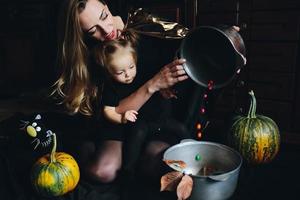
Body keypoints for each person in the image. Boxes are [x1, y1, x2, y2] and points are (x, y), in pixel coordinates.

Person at [53, 0, 190, 187]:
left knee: (152, 166)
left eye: (104, 16)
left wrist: (222, 37)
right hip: (117, 120)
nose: (106, 30)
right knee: (103, 172)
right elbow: (112, 111)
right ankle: (90, 147)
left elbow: (185, 37)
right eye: (93, 30)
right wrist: (153, 84)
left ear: (107, 7)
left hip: (151, 117)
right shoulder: (92, 55)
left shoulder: (141, 23)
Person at [92, 28, 190, 187]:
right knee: (138, 133)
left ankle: (191, 151)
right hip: (137, 123)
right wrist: (122, 117)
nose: (128, 75)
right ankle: (128, 170)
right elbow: (108, 111)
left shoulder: (141, 74)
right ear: (109, 72)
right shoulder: (111, 88)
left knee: (181, 129)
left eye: (131, 67)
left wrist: (165, 92)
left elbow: (155, 90)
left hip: (157, 120)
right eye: (120, 72)